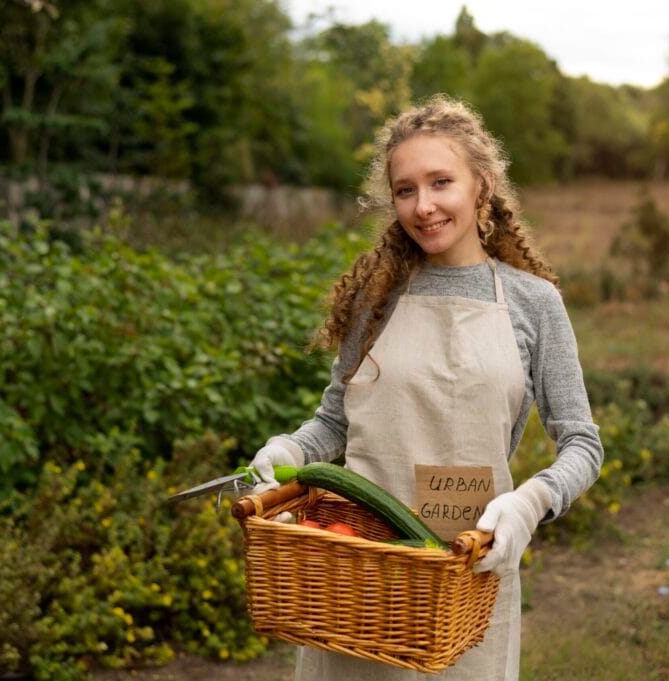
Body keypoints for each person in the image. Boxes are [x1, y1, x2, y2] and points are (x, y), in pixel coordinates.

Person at [248, 94, 603, 681]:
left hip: (469, 571)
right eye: (406, 189)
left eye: (442, 182)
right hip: (357, 566)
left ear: (482, 186)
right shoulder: (376, 298)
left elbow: (583, 445)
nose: (424, 205)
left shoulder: (533, 303)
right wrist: (290, 450)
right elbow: (334, 422)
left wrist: (529, 502)